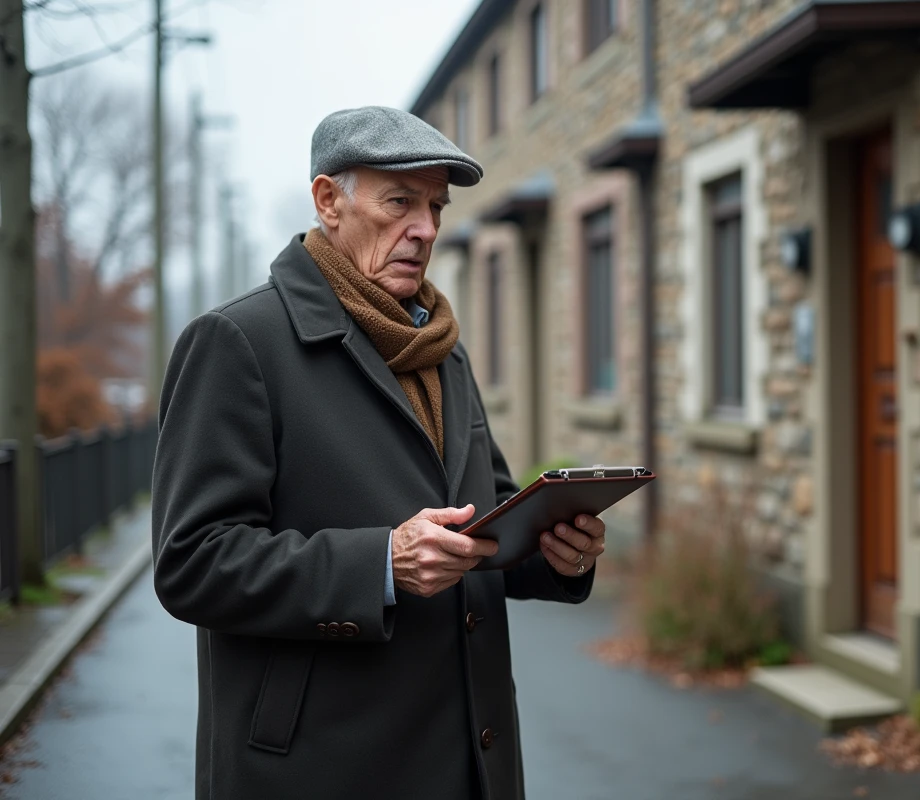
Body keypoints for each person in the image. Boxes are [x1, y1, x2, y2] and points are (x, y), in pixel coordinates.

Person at [151, 105, 606, 800]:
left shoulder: (441, 350)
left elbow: (484, 518)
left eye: (435, 207)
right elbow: (191, 562)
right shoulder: (239, 342)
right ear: (328, 201)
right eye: (400, 202)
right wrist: (381, 564)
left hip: (469, 760)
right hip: (320, 768)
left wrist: (554, 552)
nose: (425, 229)